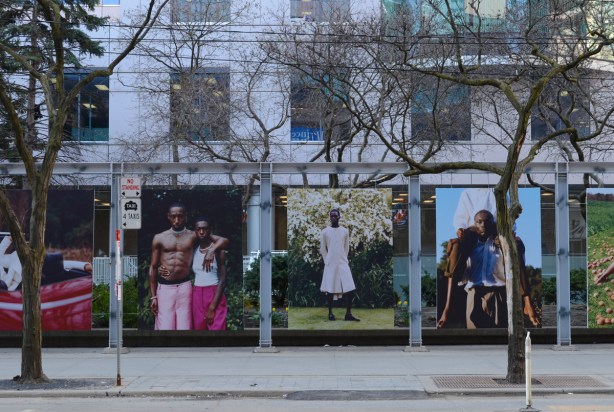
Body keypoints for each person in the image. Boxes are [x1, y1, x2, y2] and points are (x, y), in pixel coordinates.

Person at [438, 210, 539, 329]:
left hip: (498, 294)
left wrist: (510, 239)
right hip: (474, 293)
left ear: (492, 223)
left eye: (486, 222)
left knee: (499, 341)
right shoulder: (471, 245)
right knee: (475, 341)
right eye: (479, 222)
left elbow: (520, 263)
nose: (483, 225)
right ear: (474, 224)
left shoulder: (502, 245)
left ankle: (527, 303)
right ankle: (447, 308)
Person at [149, 203, 227, 330]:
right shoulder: (159, 238)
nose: (177, 220)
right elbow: (152, 267)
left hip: (185, 287)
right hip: (165, 287)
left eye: (180, 216)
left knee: (185, 328)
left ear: (185, 217)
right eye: (173, 216)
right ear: (168, 217)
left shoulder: (194, 234)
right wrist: (153, 296)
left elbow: (223, 240)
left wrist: (211, 250)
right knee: (165, 328)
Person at [320, 209, 359, 321]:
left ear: (339, 217)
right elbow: (323, 249)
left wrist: (344, 258)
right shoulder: (325, 231)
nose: (333, 218)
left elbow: (346, 247)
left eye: (335, 216)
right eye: (331, 216)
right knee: (330, 289)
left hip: (342, 263)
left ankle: (348, 314)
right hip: (330, 264)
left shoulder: (344, 231)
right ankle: (330, 313)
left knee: (350, 289)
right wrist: (327, 261)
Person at [191, 217, 228, 330]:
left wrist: (212, 307)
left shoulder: (218, 251)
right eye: (198, 229)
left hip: (214, 293)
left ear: (210, 230)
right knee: (199, 331)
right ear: (195, 231)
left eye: (205, 229)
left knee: (217, 330)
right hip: (197, 293)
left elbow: (222, 280)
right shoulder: (193, 250)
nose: (201, 232)